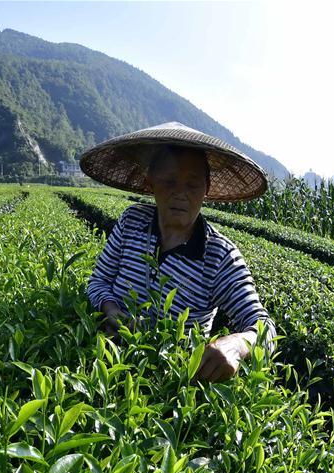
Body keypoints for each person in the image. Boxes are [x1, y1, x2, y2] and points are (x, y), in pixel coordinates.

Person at [79, 122, 277, 383]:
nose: (180, 194)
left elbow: (265, 328)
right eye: (169, 181)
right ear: (151, 183)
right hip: (106, 369)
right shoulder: (131, 223)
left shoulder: (220, 256)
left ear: (206, 190)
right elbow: (98, 281)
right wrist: (111, 309)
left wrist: (237, 345)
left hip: (171, 386)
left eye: (192, 185)